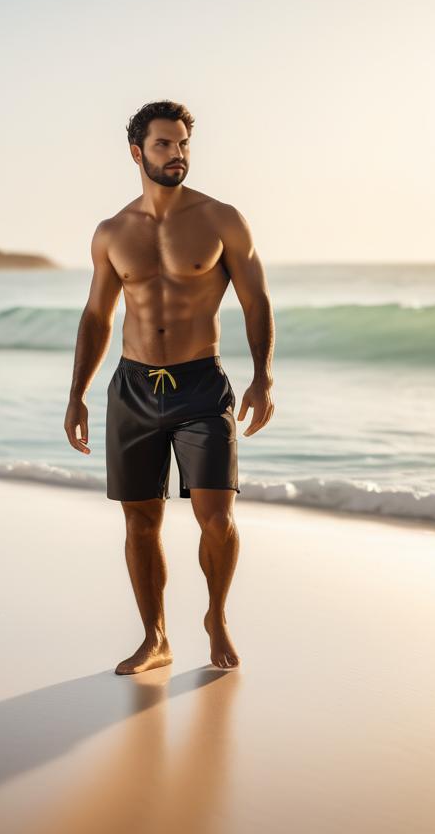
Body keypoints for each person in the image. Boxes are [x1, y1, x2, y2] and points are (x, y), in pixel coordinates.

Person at [65, 99, 275, 674]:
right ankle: (155, 636)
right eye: (164, 145)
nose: (177, 155)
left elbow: (256, 300)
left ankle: (216, 616)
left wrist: (262, 377)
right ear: (137, 153)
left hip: (200, 385)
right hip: (132, 388)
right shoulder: (112, 232)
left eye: (183, 144)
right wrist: (77, 393)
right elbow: (96, 317)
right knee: (140, 519)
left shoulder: (220, 219)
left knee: (216, 517)